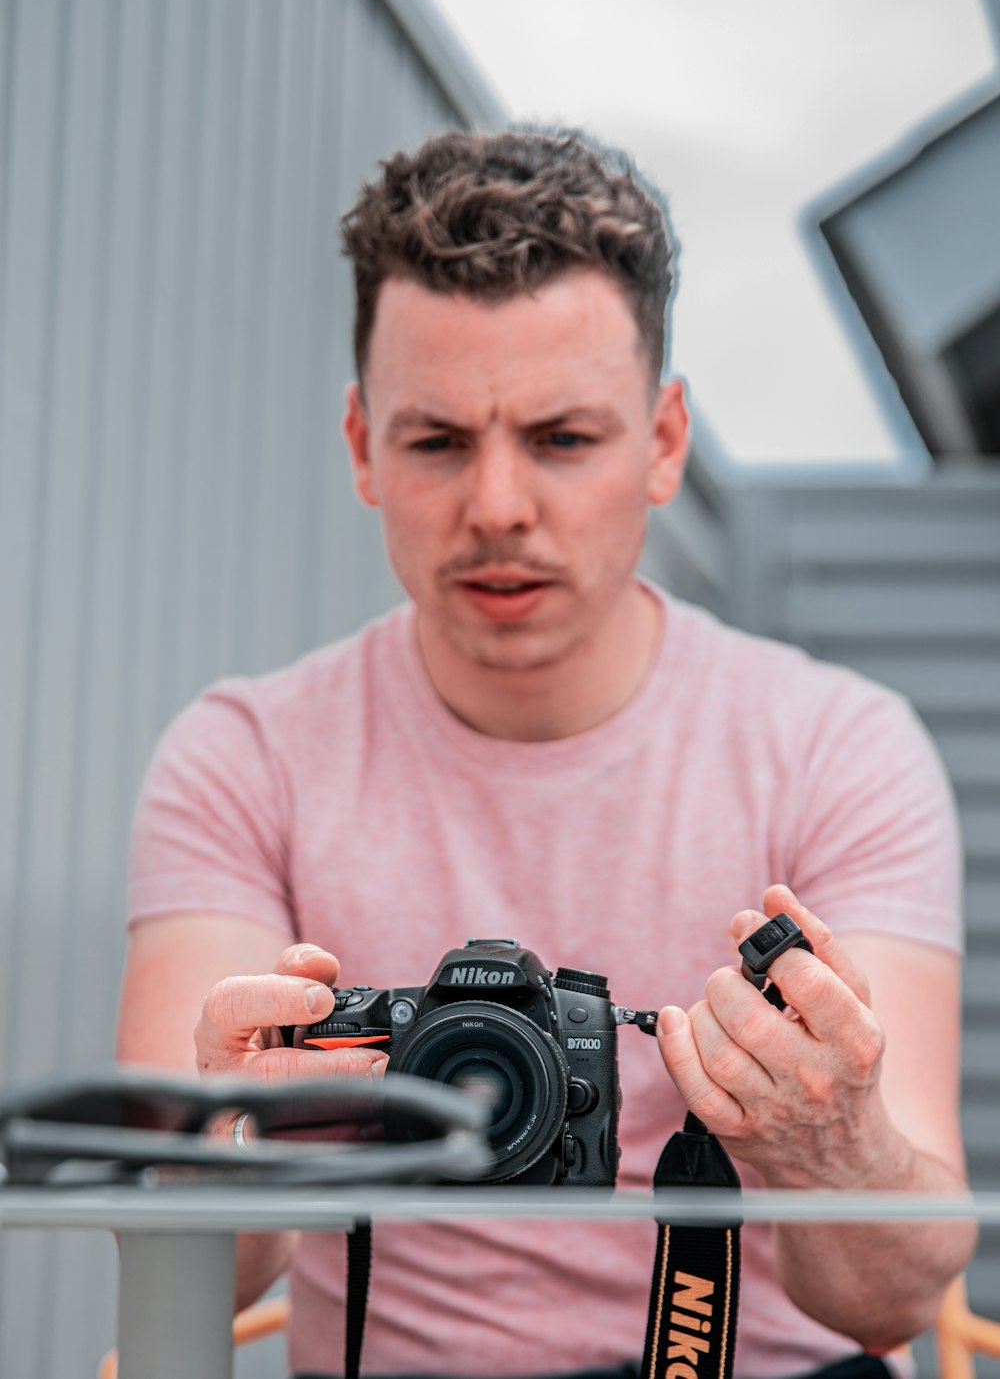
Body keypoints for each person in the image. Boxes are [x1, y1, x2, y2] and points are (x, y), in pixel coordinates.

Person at [117, 127, 975, 1379]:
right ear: (361, 445)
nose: (500, 506)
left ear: (664, 441)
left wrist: (828, 1139)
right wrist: (230, 1134)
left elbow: (884, 1300)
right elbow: (185, 1269)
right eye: (438, 441)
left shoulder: (835, 751)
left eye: (563, 438)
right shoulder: (243, 756)